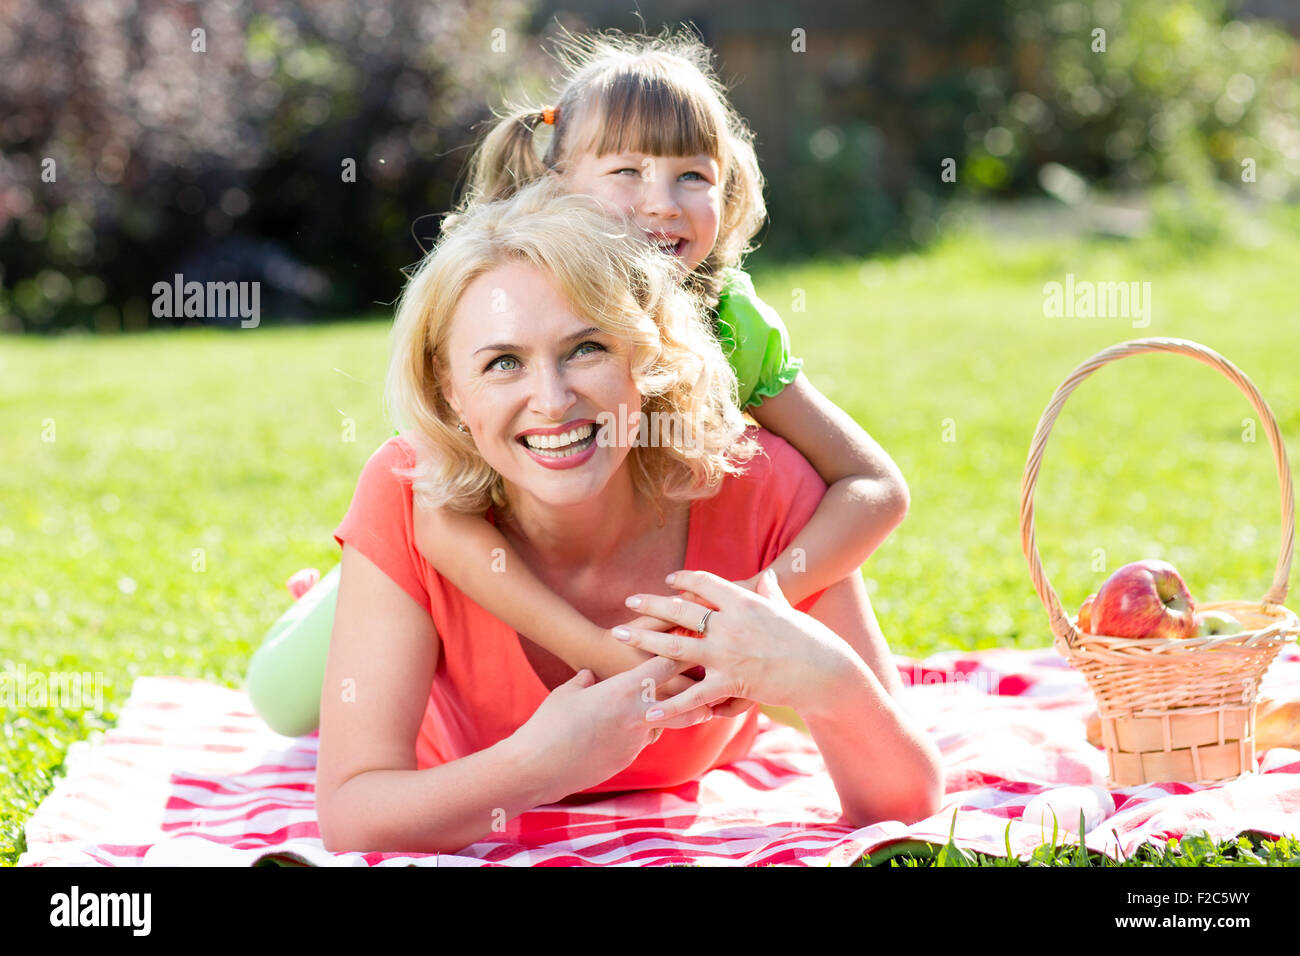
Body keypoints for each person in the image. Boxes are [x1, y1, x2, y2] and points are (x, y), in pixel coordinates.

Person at [247, 26, 911, 735]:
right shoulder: (509, 286)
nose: (662, 203)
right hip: (459, 532)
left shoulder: (733, 326)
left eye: (693, 175)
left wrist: (761, 597)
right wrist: (597, 653)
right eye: (626, 172)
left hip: (610, 551)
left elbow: (873, 487)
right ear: (556, 185)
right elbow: (435, 520)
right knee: (284, 702)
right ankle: (327, 600)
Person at [315, 177, 941, 853]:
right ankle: (321, 602)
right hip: (378, 602)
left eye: (587, 348)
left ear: (644, 352)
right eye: (503, 363)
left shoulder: (755, 481)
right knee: (285, 685)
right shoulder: (408, 491)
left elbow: (904, 801)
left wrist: (830, 679)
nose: (552, 400)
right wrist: (537, 766)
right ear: (450, 389)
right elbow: (353, 814)